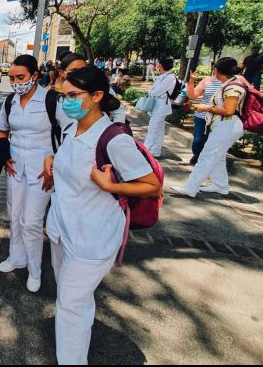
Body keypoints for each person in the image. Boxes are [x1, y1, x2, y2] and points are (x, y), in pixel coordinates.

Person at [41, 66, 160, 365]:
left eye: (72, 96)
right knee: (74, 301)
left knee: (69, 305)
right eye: (62, 95)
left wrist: (111, 185)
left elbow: (152, 186)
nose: (65, 102)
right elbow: (73, 162)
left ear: (96, 96)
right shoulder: (72, 127)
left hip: (92, 238)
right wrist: (52, 161)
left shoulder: (113, 139)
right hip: (62, 229)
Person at [0, 55, 64, 293]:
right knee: (14, 215)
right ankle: (17, 257)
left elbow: (68, 135)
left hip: (42, 172)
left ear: (35, 75)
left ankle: (34, 269)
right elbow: (3, 131)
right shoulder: (10, 101)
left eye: (21, 77)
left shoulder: (52, 100)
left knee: (32, 222)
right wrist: (4, 155)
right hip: (15, 168)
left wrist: (57, 167)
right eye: (12, 78)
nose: (15, 82)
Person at [171, 58, 248, 197]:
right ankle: (220, 185)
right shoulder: (231, 83)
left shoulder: (233, 87)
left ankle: (191, 187)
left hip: (228, 125)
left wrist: (206, 108)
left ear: (216, 70)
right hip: (225, 125)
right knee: (218, 157)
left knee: (206, 156)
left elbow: (229, 111)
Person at [143, 57, 177, 158]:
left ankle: (145, 151)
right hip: (159, 105)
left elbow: (156, 91)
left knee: (153, 129)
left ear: (161, 66)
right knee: (159, 130)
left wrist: (151, 91)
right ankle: (155, 151)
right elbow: (153, 89)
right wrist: (152, 91)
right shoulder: (164, 76)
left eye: (158, 64)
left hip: (162, 106)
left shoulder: (169, 78)